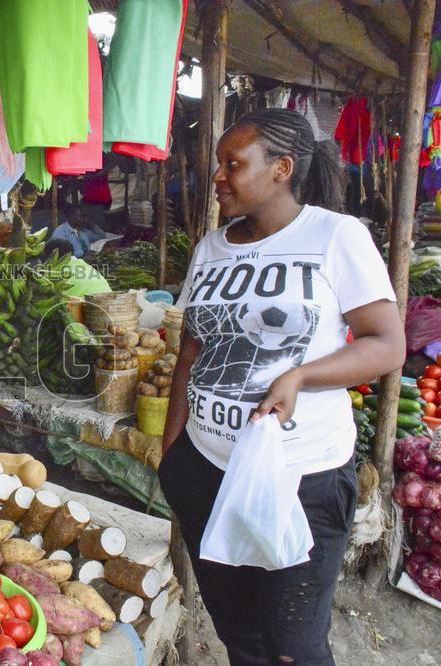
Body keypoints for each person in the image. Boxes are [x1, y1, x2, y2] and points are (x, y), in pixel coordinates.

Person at [158, 108, 405, 664]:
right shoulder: (210, 249)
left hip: (299, 477)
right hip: (206, 470)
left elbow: (387, 345)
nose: (216, 178)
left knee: (293, 644)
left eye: (233, 164)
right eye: (218, 164)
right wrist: (174, 455)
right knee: (237, 630)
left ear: (282, 169)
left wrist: (301, 375)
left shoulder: (336, 236)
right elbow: (190, 353)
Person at [40, 238, 111, 298]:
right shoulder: (86, 267)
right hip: (111, 306)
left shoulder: (59, 274)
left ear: (52, 257)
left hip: (90, 311)